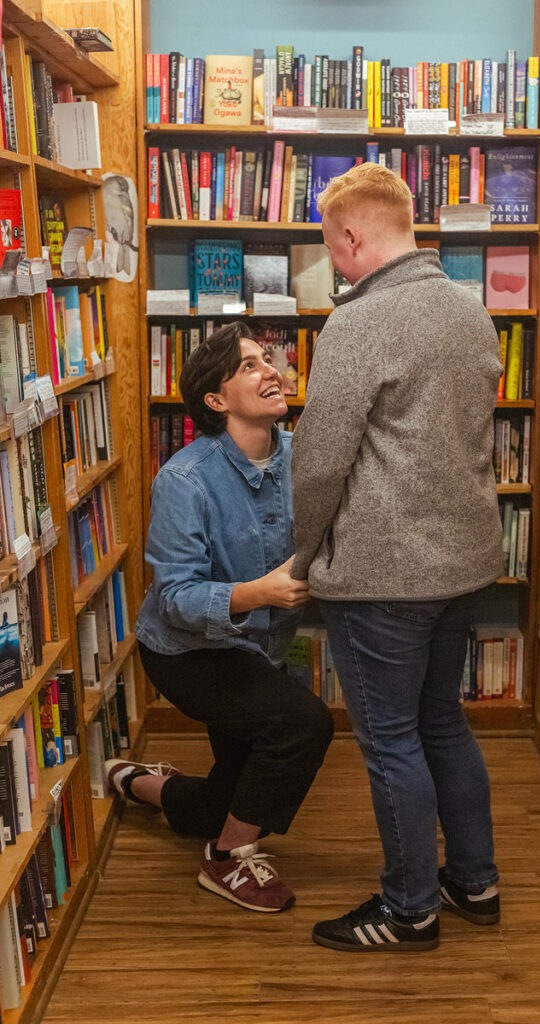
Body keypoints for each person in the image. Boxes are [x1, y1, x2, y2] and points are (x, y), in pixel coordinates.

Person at [291, 162, 503, 952]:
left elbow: (318, 461)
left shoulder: (357, 323)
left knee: (389, 740)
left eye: (331, 247)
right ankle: (474, 884)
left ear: (351, 234)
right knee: (441, 723)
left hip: (384, 570)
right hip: (462, 560)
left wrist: (303, 554)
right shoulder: (469, 309)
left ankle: (409, 908)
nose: (333, 263)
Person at [108, 322, 334, 913]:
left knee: (221, 804)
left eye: (269, 359)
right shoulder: (185, 479)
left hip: (257, 648)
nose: (271, 371)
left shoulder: (303, 457)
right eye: (250, 366)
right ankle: (225, 860)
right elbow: (178, 596)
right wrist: (258, 593)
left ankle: (136, 781)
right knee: (302, 724)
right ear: (215, 400)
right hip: (188, 653)